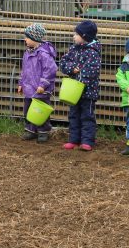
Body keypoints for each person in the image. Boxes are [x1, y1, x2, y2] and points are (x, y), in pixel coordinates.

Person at [58, 19, 102, 151]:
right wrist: (72, 69)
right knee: (73, 115)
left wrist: (81, 81)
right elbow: (63, 63)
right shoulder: (73, 49)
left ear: (84, 37)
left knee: (87, 116)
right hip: (73, 92)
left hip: (88, 92)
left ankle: (87, 141)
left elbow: (92, 72)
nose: (73, 36)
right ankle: (74, 140)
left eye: (76, 34)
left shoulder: (93, 52)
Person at [17, 23, 57, 143]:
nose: (25, 39)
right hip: (29, 89)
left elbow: (50, 70)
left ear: (35, 39)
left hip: (40, 90)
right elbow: (24, 70)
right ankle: (31, 130)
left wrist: (43, 85)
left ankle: (43, 131)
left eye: (27, 37)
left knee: (40, 112)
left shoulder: (43, 54)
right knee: (28, 111)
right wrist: (21, 83)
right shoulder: (27, 53)